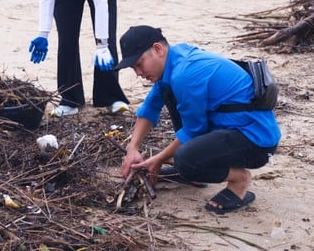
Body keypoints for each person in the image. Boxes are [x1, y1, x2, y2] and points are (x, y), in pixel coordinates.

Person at [117, 25, 280, 214]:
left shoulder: (185, 74)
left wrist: (159, 159)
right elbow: (150, 107)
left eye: (139, 63)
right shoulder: (174, 59)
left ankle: (239, 180)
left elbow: (194, 130)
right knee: (167, 93)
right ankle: (195, 174)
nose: (138, 73)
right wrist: (132, 149)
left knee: (185, 159)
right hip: (226, 127)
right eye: (133, 68)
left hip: (255, 140)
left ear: (158, 49)